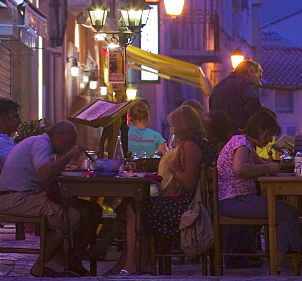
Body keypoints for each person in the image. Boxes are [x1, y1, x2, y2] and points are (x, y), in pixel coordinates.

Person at [108, 105, 215, 275]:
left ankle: (132, 264)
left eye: (175, 126)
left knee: (134, 208)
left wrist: (174, 170)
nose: (174, 130)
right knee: (135, 206)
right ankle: (139, 263)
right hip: (193, 203)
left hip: (186, 208)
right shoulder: (204, 143)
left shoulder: (190, 146)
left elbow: (188, 181)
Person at [0, 120, 102, 277]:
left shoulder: (41, 143)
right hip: (16, 198)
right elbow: (44, 173)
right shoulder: (42, 143)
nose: (69, 147)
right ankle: (44, 264)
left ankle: (73, 258)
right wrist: (69, 155)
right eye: (69, 142)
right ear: (57, 135)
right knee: (71, 216)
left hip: (22, 195)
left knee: (92, 210)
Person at [217, 108, 299, 270]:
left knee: (287, 212)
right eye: (268, 135)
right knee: (288, 213)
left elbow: (262, 166)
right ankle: (276, 266)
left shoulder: (243, 143)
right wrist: (269, 166)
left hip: (235, 200)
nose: (269, 141)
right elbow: (239, 168)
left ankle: (282, 260)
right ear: (260, 129)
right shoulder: (241, 142)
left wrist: (273, 167)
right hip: (235, 200)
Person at [209, 59, 263, 133]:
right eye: (259, 77)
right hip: (238, 135)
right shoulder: (246, 84)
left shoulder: (218, 86)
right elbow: (252, 98)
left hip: (218, 135)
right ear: (250, 71)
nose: (260, 84)